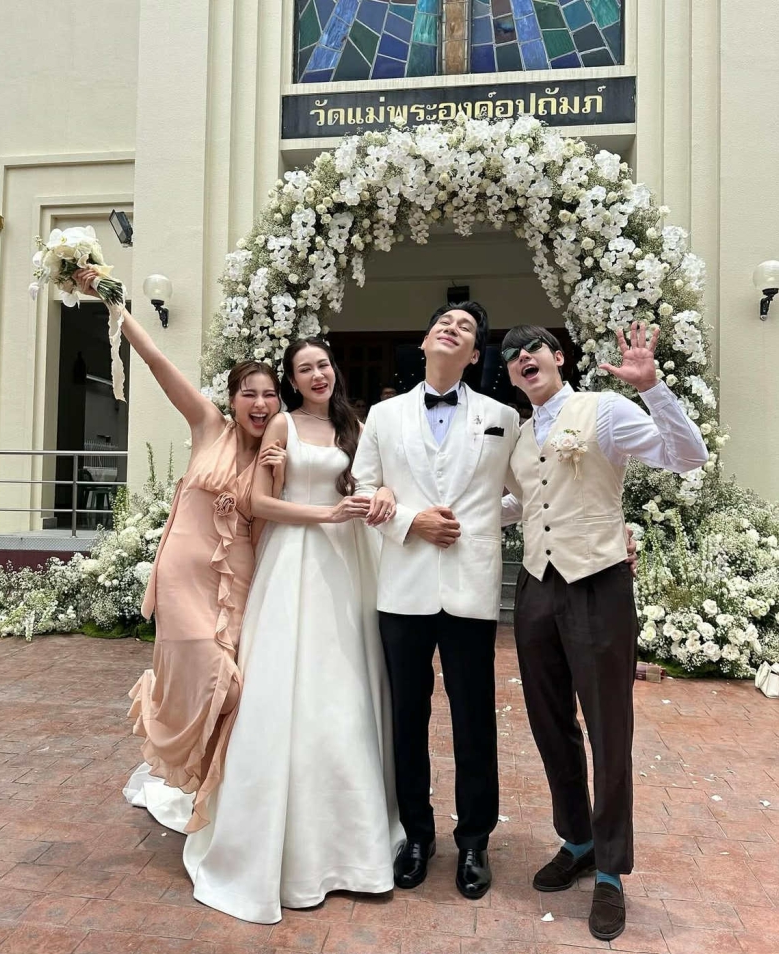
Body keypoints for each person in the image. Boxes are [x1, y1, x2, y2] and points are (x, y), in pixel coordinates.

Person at [182, 338, 403, 924]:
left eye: (323, 364)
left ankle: (356, 834)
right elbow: (258, 502)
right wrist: (324, 513)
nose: (317, 374)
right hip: (296, 557)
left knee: (346, 685)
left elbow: (378, 480)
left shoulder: (355, 426)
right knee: (289, 681)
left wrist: (379, 494)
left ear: (334, 371)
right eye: (304, 369)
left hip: (348, 560)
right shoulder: (282, 424)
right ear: (293, 380)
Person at [500, 323, 708, 941]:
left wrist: (653, 388)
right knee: (549, 722)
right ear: (510, 375)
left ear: (557, 357)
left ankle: (612, 870)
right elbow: (521, 504)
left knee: (608, 727)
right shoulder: (519, 436)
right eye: (511, 355)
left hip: (597, 581)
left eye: (533, 348)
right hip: (537, 586)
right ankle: (579, 840)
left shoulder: (605, 410)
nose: (522, 358)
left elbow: (687, 457)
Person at [72, 268, 285, 835]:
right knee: (214, 680)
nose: (259, 403)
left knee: (233, 687)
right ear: (232, 400)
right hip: (182, 577)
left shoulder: (277, 455)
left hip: (237, 580)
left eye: (269, 394)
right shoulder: (208, 427)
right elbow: (157, 362)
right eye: (249, 393)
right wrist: (113, 305)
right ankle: (173, 740)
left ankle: (213, 798)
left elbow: (273, 525)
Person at [352, 302, 519, 900]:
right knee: (407, 716)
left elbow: (528, 492)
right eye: (443, 323)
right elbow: (363, 486)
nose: (452, 329)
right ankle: (416, 834)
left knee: (474, 717)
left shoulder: (503, 417)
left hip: (471, 587)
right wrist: (409, 521)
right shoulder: (383, 415)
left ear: (474, 355)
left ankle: (474, 840)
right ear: (425, 341)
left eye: (466, 328)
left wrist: (478, 522)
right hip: (403, 587)